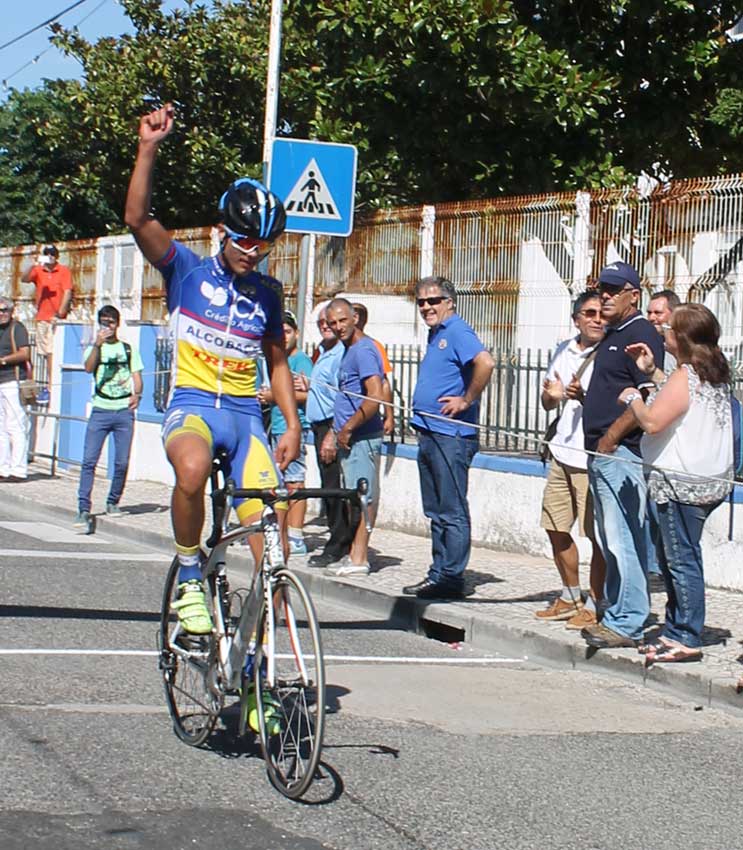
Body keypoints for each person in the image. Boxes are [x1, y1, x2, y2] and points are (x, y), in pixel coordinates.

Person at [124, 103, 300, 644]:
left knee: (275, 542)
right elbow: (137, 219)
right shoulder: (186, 270)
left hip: (246, 419)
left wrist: (292, 425)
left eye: (265, 245)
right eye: (245, 240)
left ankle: (259, 662)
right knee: (193, 468)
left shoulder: (267, 293)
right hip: (194, 407)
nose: (254, 252)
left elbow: (277, 361)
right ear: (221, 231)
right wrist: (148, 147)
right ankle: (189, 574)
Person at [620, 303, 733, 663]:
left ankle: (685, 634)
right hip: (705, 480)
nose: (662, 331)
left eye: (668, 327)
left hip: (680, 484)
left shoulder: (687, 374)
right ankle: (675, 628)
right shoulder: (712, 370)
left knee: (680, 560)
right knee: (679, 558)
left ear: (681, 337)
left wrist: (633, 397)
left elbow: (653, 422)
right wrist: (652, 373)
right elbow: (679, 403)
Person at [578, 261, 665, 649]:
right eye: (603, 289)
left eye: (615, 290)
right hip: (603, 452)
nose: (606, 296)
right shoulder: (615, 333)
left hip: (620, 453)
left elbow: (647, 394)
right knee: (610, 538)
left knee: (623, 539)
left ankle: (627, 620)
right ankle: (616, 612)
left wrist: (611, 437)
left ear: (634, 294)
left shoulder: (640, 333)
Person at [402, 276, 494, 600]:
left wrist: (466, 400)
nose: (427, 307)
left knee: (451, 509)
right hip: (429, 432)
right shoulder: (436, 333)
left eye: (433, 301)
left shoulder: (456, 331)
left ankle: (451, 577)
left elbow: (485, 362)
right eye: (421, 302)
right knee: (435, 509)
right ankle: (438, 572)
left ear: (449, 301)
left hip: (451, 435)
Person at [536, 292, 606, 629]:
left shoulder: (610, 354)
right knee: (554, 527)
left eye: (601, 313)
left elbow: (617, 406)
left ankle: (596, 602)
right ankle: (569, 595)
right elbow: (549, 398)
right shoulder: (564, 350)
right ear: (576, 318)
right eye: (589, 313)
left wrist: (585, 397)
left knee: (597, 537)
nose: (597, 319)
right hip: (562, 451)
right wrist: (552, 397)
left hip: (590, 457)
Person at [320, 298, 385, 576]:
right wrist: (336, 431)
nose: (338, 327)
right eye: (332, 323)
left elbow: (375, 396)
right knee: (352, 498)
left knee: (363, 497)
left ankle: (359, 557)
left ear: (355, 318)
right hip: (348, 437)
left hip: (361, 436)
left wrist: (348, 428)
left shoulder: (364, 350)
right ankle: (353, 554)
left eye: (342, 320)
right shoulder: (348, 351)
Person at [74, 305, 144, 535]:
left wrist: (137, 394)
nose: (108, 326)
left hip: (123, 411)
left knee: (122, 461)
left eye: (111, 322)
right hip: (101, 410)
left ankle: (113, 500)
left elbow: (137, 374)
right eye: (104, 322)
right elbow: (88, 368)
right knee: (89, 460)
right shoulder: (95, 348)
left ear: (118, 324)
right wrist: (97, 345)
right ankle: (83, 507)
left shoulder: (128, 349)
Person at [302, 306, 355, 567]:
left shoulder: (339, 354)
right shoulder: (322, 351)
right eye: (322, 321)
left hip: (331, 425)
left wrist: (332, 433)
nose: (326, 325)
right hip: (318, 424)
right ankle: (338, 538)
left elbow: (342, 396)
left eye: (331, 321)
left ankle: (338, 544)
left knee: (333, 488)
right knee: (328, 486)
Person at [257, 309, 313, 556]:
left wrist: (274, 396)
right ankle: (279, 532)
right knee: (279, 482)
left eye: (288, 332)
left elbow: (308, 395)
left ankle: (296, 535)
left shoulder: (301, 361)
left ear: (296, 333)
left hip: (293, 429)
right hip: (275, 426)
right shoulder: (274, 360)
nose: (284, 337)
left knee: (294, 481)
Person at [645, 288, 681, 586]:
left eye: (658, 312)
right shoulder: (648, 344)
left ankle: (662, 567)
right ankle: (652, 565)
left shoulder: (677, 352)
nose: (652, 317)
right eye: (649, 312)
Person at [21, 244, 73, 405]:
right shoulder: (38, 270)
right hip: (42, 317)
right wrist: (33, 263)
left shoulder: (63, 271)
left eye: (52, 254)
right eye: (47, 253)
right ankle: (49, 384)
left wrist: (61, 312)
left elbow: (67, 292)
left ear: (57, 256)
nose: (50, 256)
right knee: (44, 352)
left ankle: (51, 387)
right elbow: (24, 279)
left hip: (54, 318)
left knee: (52, 351)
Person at [351, 302, 395, 436]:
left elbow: (384, 382)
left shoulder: (374, 346)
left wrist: (389, 415)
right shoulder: (340, 346)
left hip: (365, 418)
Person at [0, 298, 31, 481]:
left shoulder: (17, 328)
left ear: (11, 311)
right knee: (1, 427)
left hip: (13, 381)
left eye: (5, 310)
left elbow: (25, 353)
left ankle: (18, 470)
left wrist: (3, 360)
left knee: (16, 425)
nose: (2, 313)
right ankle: (3, 468)